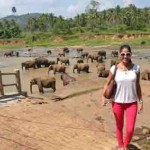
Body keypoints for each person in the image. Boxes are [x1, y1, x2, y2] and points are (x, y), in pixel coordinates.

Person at [101, 45, 143, 150]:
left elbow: (137, 85)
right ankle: (120, 146)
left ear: (130, 55)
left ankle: (125, 144)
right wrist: (103, 97)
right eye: (123, 54)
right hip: (117, 102)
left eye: (127, 54)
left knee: (130, 129)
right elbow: (107, 82)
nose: (125, 56)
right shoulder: (114, 68)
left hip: (132, 103)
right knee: (119, 126)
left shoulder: (136, 68)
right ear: (120, 54)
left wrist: (141, 101)